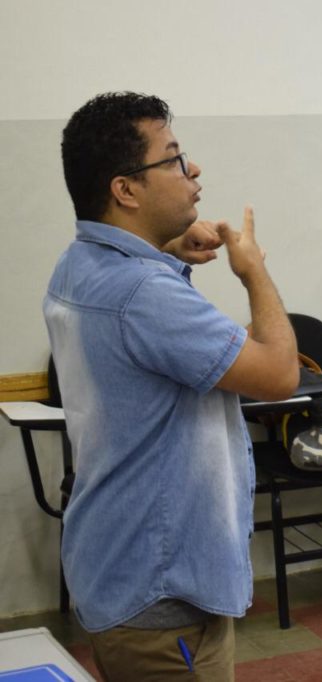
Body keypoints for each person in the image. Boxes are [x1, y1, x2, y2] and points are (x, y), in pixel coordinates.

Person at [45, 92, 298, 680]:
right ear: (125, 190)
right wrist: (254, 270)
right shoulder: (145, 295)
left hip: (116, 567)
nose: (194, 171)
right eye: (175, 158)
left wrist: (164, 249)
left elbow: (136, 317)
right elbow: (280, 375)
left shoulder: (78, 265)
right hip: (162, 595)